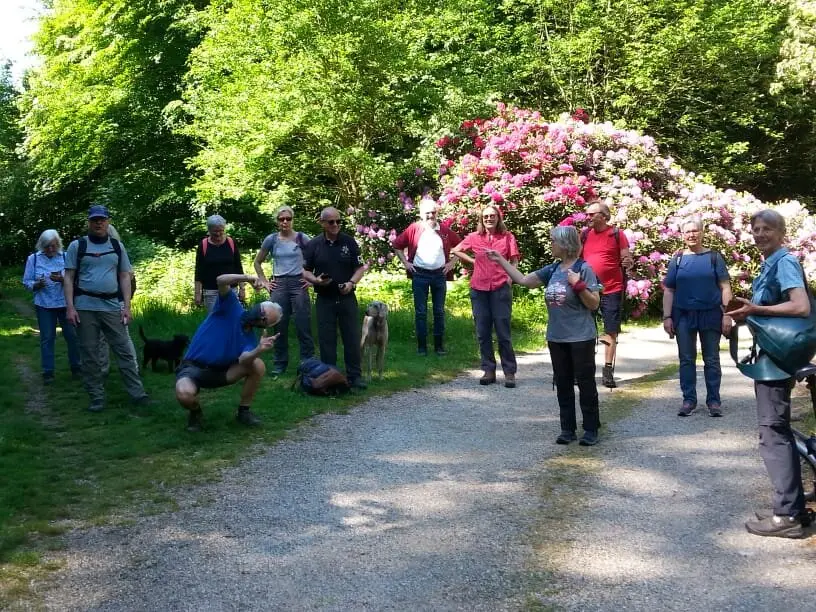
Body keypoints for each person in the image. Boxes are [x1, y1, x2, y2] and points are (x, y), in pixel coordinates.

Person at [727, 209, 810, 538]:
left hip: (778, 362)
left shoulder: (785, 262)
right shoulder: (771, 262)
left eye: (767, 229)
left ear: (781, 232)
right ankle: (795, 508)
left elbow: (800, 305)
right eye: (756, 229)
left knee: (773, 432)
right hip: (771, 358)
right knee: (776, 430)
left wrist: (756, 309)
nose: (759, 234)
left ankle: (787, 516)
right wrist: (746, 313)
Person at [488, 226, 603, 445]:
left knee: (586, 383)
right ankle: (567, 429)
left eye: (553, 241)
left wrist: (578, 285)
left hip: (580, 337)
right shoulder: (552, 269)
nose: (550, 244)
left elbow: (594, 304)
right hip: (557, 338)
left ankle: (590, 429)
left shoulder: (583, 268)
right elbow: (524, 281)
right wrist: (500, 260)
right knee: (563, 383)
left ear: (565, 244)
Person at [63, 205, 149, 412]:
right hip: (85, 307)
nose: (98, 223)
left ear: (108, 221)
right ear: (89, 222)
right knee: (90, 354)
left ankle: (138, 395)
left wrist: (127, 306)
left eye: (102, 219)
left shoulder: (117, 246)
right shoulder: (78, 246)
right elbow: (69, 277)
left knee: (125, 351)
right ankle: (96, 398)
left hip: (112, 306)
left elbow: (125, 276)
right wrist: (70, 307)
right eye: (94, 220)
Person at [176, 273, 282, 432]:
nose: (261, 316)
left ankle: (244, 412)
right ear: (257, 305)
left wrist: (258, 350)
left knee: (257, 364)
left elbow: (245, 359)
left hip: (222, 373)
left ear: (264, 326)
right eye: (262, 311)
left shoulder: (250, 339)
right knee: (184, 395)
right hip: (193, 368)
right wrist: (248, 278)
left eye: (265, 319)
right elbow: (220, 280)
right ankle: (196, 413)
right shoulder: (231, 306)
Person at [662, 216, 732, 417]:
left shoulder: (714, 258)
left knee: (711, 359)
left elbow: (725, 287)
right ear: (682, 235)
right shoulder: (678, 259)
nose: (692, 235)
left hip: (711, 314)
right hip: (683, 315)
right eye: (687, 231)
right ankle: (689, 400)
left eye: (695, 231)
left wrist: (727, 314)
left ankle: (714, 402)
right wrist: (667, 317)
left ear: (702, 232)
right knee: (686, 359)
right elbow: (669, 290)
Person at [450, 205, 520, 388]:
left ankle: (509, 372)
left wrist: (510, 277)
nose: (489, 218)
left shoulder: (507, 237)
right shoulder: (474, 237)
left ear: (499, 218)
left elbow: (514, 259)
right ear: (481, 219)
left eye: (493, 216)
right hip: (479, 288)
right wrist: (474, 261)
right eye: (486, 216)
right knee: (482, 332)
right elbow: (456, 250)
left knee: (503, 331)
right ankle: (488, 369)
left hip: (500, 287)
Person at [301, 207, 367, 390]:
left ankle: (355, 376)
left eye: (338, 221)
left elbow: (360, 267)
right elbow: (304, 270)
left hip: (346, 297)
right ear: (322, 223)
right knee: (326, 340)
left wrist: (351, 283)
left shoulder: (349, 242)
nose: (335, 225)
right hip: (325, 298)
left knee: (352, 338)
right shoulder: (314, 244)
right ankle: (330, 376)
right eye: (331, 222)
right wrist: (315, 280)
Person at [392, 196, 462, 356]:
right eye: (427, 213)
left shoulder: (444, 230)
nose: (431, 216)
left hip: (439, 275)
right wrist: (406, 263)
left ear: (437, 213)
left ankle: (439, 347)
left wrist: (451, 263)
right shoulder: (414, 228)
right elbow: (397, 245)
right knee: (421, 312)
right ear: (421, 214)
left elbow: (461, 246)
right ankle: (422, 347)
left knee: (439, 311)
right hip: (420, 275)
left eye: (433, 213)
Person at [253, 205, 314, 376]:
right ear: (277, 222)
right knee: (279, 324)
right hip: (278, 284)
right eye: (281, 219)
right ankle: (280, 363)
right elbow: (257, 262)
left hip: (298, 284)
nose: (285, 222)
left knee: (303, 323)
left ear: (293, 220)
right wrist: (264, 281)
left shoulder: (302, 238)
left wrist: (311, 279)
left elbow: (316, 257)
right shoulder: (271, 239)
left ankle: (307, 362)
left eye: (288, 218)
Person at [581, 200, 634, 388]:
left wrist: (628, 262)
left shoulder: (617, 234)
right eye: (587, 214)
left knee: (610, 330)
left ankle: (608, 370)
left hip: (612, 289)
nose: (587, 217)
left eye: (591, 214)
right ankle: (583, 369)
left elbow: (626, 257)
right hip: (588, 290)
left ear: (603, 216)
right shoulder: (585, 234)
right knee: (584, 329)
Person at [22, 229, 81, 383]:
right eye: (47, 246)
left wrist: (63, 280)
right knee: (47, 338)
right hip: (44, 304)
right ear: (41, 245)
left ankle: (77, 368)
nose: (50, 249)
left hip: (65, 303)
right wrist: (36, 284)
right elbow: (26, 281)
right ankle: (48, 372)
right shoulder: (33, 259)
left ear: (58, 244)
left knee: (72, 337)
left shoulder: (66, 256)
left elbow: (76, 280)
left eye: (53, 246)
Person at [98, 223, 139, 376]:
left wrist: (127, 303)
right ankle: (103, 369)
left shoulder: (118, 250)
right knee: (101, 338)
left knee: (122, 337)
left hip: (117, 301)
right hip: (100, 302)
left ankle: (131, 367)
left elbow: (129, 277)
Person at [194, 214, 245, 312]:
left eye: (221, 231)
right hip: (211, 291)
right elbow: (199, 271)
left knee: (233, 317)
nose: (218, 234)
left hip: (231, 289)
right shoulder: (203, 245)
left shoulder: (231, 242)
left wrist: (242, 288)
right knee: (215, 319)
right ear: (209, 231)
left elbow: (238, 267)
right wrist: (197, 294)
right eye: (214, 232)